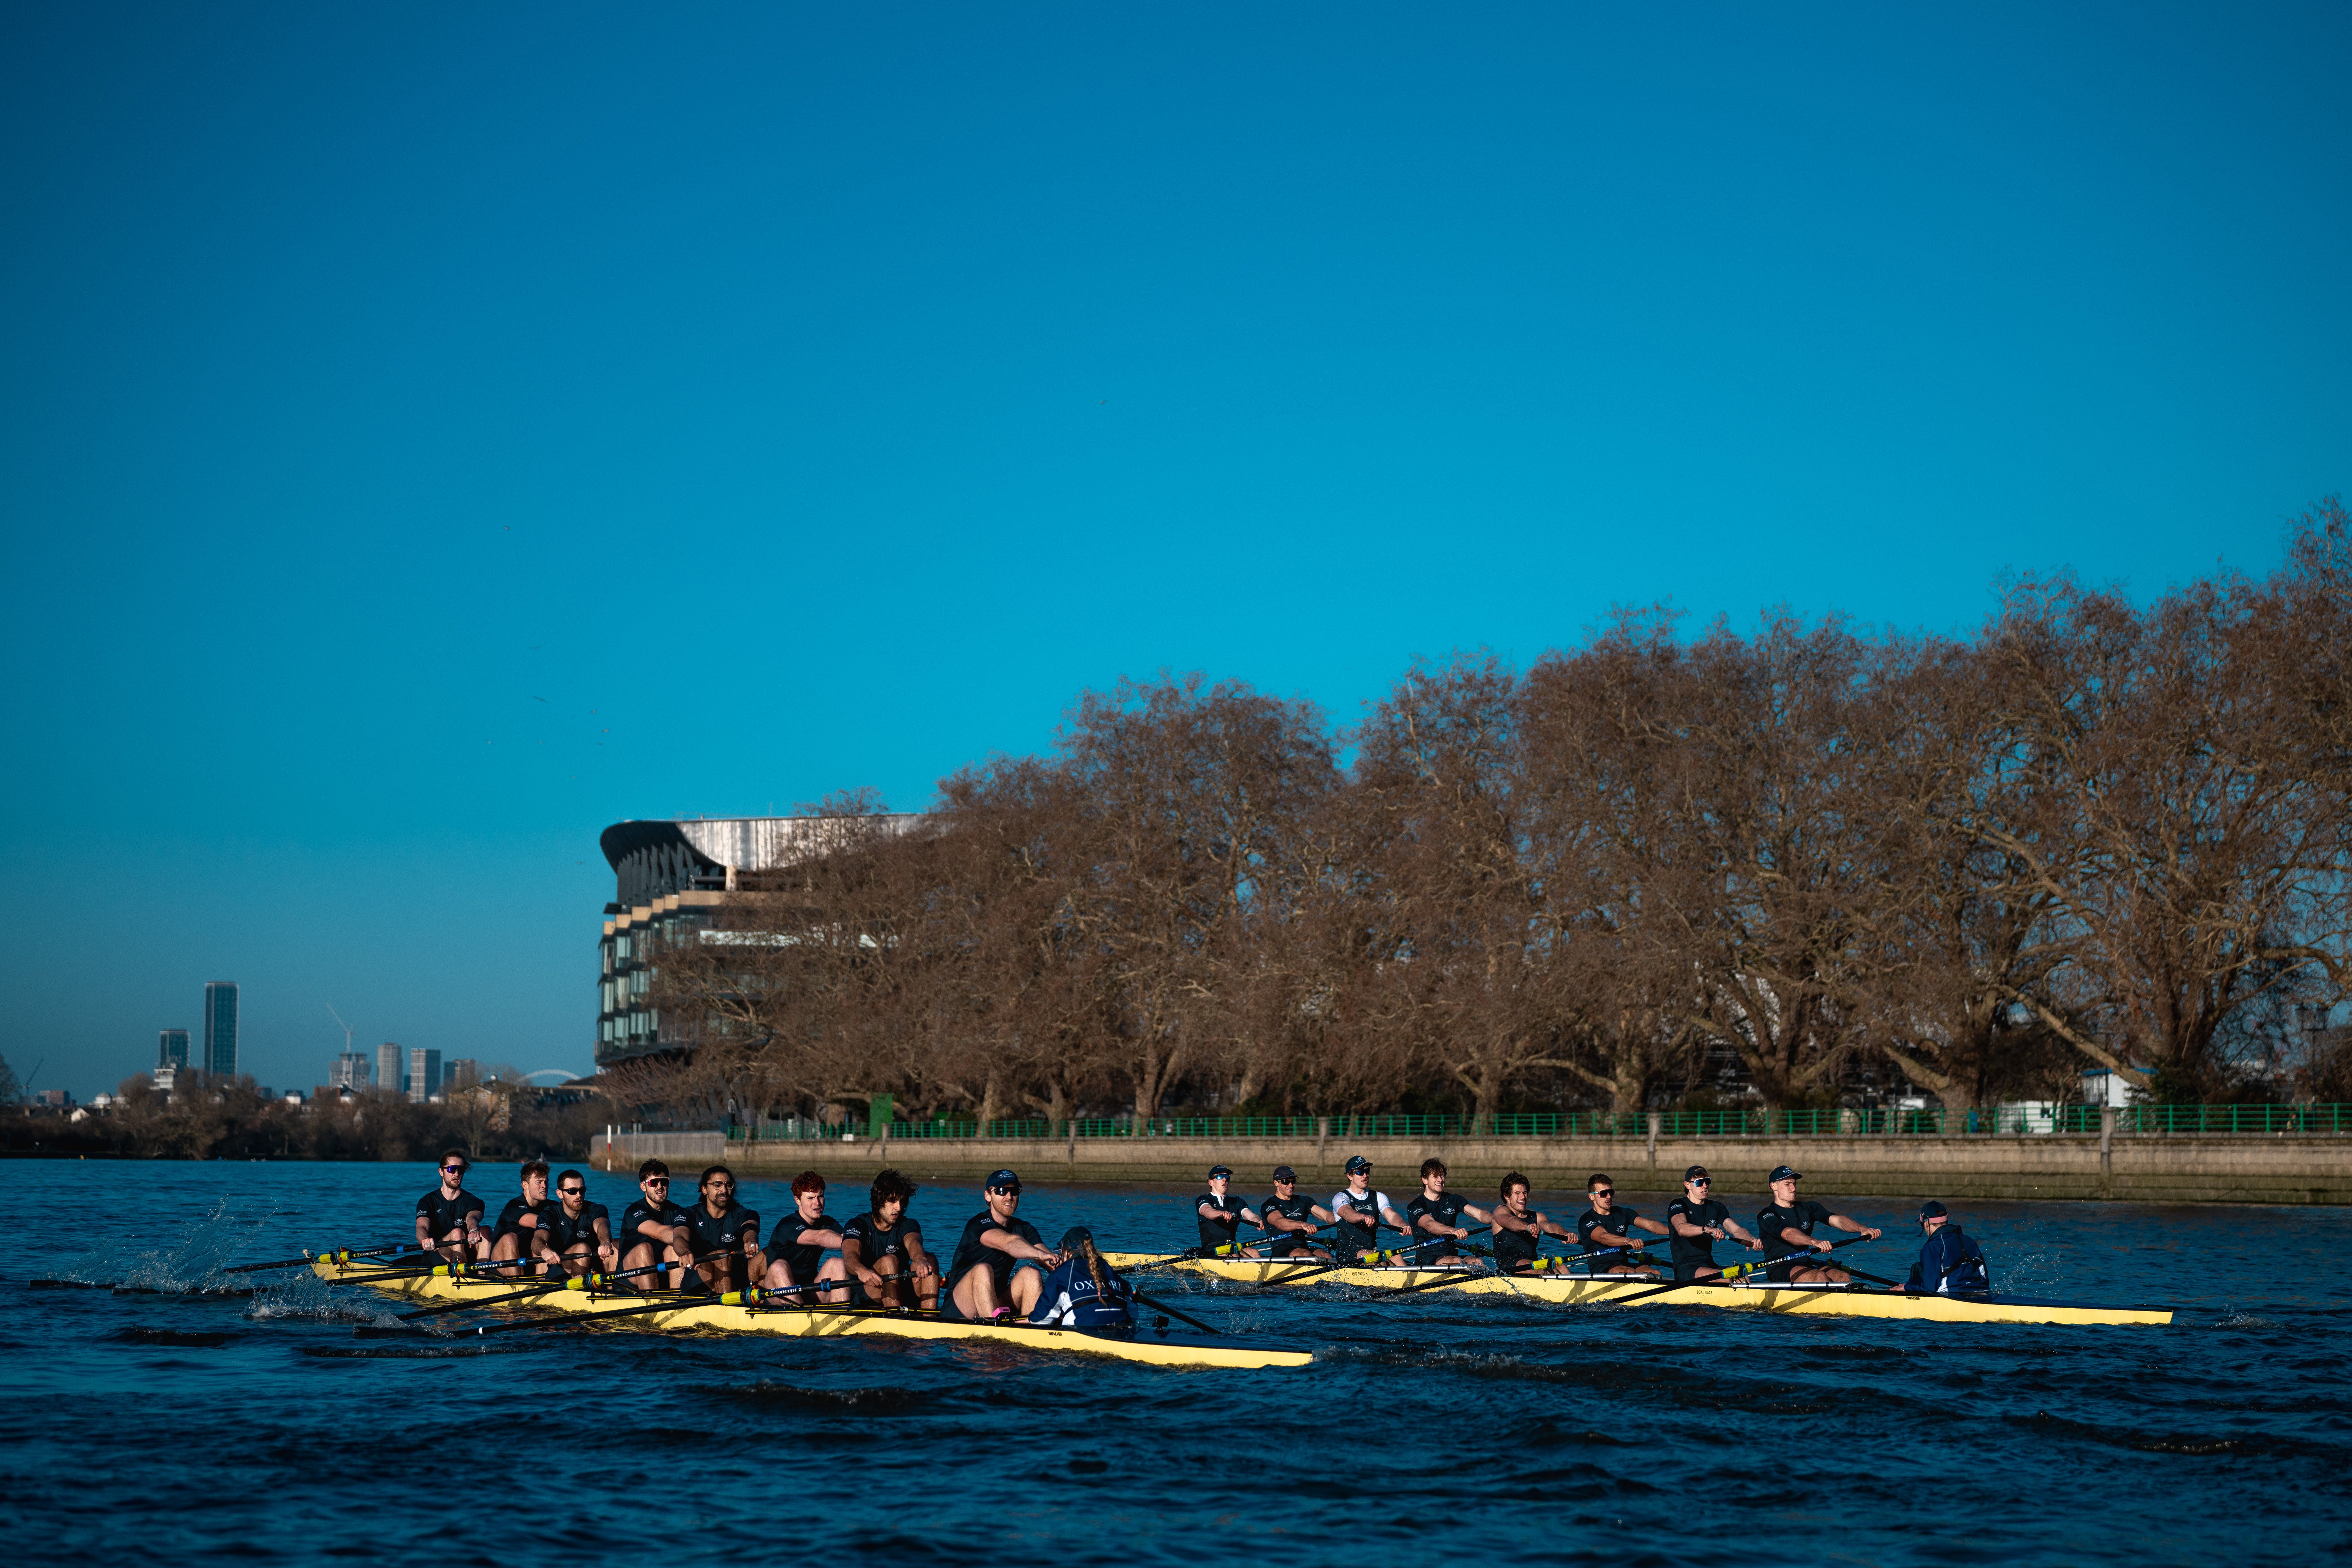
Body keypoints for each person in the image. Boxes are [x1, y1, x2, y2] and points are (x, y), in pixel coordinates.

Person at [945, 1169, 1064, 1321]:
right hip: (960, 1308)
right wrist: (1039, 1254)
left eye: (1014, 1191)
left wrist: (1082, 1270)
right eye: (1002, 1191)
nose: (1009, 1197)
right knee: (983, 1269)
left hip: (996, 1303)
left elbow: (1050, 1261)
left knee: (1031, 1273)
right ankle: (994, 1333)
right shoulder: (978, 1224)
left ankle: (1030, 1330)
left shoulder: (1025, 1229)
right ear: (988, 1196)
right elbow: (1008, 1243)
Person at [1754, 1165, 1882, 1284]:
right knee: (1820, 1278)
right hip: (1780, 1267)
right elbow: (1787, 1234)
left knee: (1844, 1278)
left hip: (1807, 1263)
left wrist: (1862, 1229)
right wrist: (1814, 1242)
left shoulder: (1809, 1208)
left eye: (1794, 1184)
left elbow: (1837, 1220)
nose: (1793, 1188)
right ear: (1774, 1186)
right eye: (1788, 1184)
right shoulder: (1767, 1215)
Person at [840, 1168, 938, 1309]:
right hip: (867, 1294)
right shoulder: (858, 1225)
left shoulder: (908, 1225)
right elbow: (850, 1256)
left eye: (901, 1201)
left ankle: (929, 1318)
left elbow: (913, 1244)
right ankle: (896, 1317)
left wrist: (921, 1260)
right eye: (892, 1201)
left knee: (929, 1259)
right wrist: (861, 1270)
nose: (898, 1207)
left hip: (900, 1291)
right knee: (889, 1261)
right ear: (879, 1200)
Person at [764, 1170, 851, 1304]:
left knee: (837, 1263)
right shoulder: (787, 1225)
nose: (818, 1203)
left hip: (809, 1290)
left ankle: (843, 1317)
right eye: (811, 1198)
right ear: (798, 1200)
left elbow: (851, 1241)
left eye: (821, 1197)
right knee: (779, 1267)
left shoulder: (828, 1223)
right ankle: (799, 1315)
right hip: (777, 1292)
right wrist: (849, 1242)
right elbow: (819, 1238)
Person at [1665, 1165, 1762, 1282]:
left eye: (1707, 1182)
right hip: (1686, 1268)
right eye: (1700, 1183)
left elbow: (1736, 1230)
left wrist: (1751, 1239)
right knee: (1725, 1279)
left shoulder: (1716, 1207)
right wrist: (1707, 1229)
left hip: (1709, 1264)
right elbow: (1681, 1229)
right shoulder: (1678, 1205)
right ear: (1688, 1185)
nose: (1705, 1186)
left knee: (1743, 1277)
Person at [1028, 1226, 1135, 1328]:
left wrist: (1031, 1320)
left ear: (1066, 1252)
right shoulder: (1107, 1268)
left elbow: (1042, 1319)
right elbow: (1132, 1306)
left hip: (1082, 1331)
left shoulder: (1061, 1274)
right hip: (1123, 1329)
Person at [616, 1159, 697, 1292]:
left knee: (675, 1248)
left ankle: (678, 1300)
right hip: (629, 1278)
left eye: (664, 1182)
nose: (660, 1186)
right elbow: (660, 1232)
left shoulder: (678, 1211)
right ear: (643, 1187)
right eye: (654, 1183)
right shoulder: (634, 1211)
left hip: (660, 1271)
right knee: (645, 1249)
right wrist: (686, 1240)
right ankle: (651, 1300)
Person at [680, 1164, 763, 1293]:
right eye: (718, 1185)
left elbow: (750, 1228)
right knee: (722, 1256)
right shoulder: (689, 1214)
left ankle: (769, 1306)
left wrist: (750, 1241)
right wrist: (685, 1252)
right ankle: (730, 1307)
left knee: (767, 1254)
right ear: (705, 1190)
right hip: (698, 1279)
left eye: (728, 1185)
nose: (724, 1190)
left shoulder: (743, 1214)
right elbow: (680, 1237)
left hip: (735, 1276)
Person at [1575, 1173, 1671, 1278]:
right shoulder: (1587, 1219)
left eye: (1611, 1192)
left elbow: (1650, 1225)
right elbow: (1604, 1238)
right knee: (1630, 1272)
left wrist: (1673, 1231)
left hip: (1624, 1264)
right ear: (1592, 1197)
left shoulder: (1623, 1213)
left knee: (1656, 1273)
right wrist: (1628, 1241)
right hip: (1602, 1267)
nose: (1609, 1197)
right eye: (1604, 1194)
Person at [1403, 1158, 1493, 1269]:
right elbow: (1429, 1225)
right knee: (1457, 1261)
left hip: (1452, 1253)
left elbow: (1479, 1214)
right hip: (1427, 1256)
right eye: (1436, 1177)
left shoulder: (1454, 1199)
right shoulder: (1416, 1206)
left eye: (1442, 1176)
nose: (1440, 1180)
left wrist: (1496, 1219)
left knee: (1478, 1261)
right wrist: (1453, 1231)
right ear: (1425, 1180)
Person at [1331, 1156, 1413, 1267]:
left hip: (1372, 1253)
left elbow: (1392, 1216)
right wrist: (1362, 1217)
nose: (1365, 1175)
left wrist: (1403, 1225)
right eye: (1360, 1172)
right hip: (1348, 1256)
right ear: (1350, 1176)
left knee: (1397, 1256)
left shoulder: (1378, 1197)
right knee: (1379, 1259)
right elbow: (1346, 1213)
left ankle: (1410, 1281)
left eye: (1367, 1171)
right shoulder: (1340, 1197)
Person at [1490, 1172, 1577, 1275]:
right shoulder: (1500, 1211)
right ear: (1507, 1196)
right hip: (1509, 1266)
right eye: (1518, 1194)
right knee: (1544, 1270)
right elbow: (1510, 1222)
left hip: (1532, 1264)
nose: (1523, 1197)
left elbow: (1550, 1227)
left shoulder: (1538, 1217)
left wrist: (1565, 1234)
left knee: (1561, 1266)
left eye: (1525, 1193)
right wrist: (1527, 1227)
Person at [414, 1149, 489, 1265]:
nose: (457, 1174)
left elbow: (473, 1218)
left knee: (486, 1231)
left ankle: (482, 1274)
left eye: (461, 1170)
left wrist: (474, 1230)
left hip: (465, 1251)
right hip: (437, 1253)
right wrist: (425, 1239)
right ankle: (460, 1274)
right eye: (452, 1169)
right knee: (457, 1233)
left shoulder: (474, 1201)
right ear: (441, 1172)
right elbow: (421, 1228)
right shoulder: (428, 1201)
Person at [1904, 1200, 1991, 1294]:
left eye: (1922, 1224)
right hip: (1982, 1292)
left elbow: (1929, 1288)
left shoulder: (1932, 1246)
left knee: (1917, 1268)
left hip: (1951, 1295)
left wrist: (1908, 1286)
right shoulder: (1970, 1241)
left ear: (1926, 1223)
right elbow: (1985, 1277)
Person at [489, 1160, 557, 1276]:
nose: (545, 1186)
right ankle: (516, 1283)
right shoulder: (514, 1206)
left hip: (527, 1259)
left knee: (541, 1244)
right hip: (501, 1262)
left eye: (546, 1181)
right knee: (510, 1238)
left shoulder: (551, 1206)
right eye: (539, 1182)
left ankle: (543, 1283)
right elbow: (536, 1222)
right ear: (525, 1185)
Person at [544, 1168, 616, 1276]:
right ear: (560, 1194)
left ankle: (612, 1290)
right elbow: (538, 1239)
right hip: (560, 1268)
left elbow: (602, 1225)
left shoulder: (596, 1209)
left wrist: (605, 1242)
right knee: (582, 1249)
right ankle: (580, 1291)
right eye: (572, 1191)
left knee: (616, 1245)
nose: (578, 1195)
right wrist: (544, 1250)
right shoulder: (550, 1214)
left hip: (592, 1264)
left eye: (582, 1190)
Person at [1258, 1166, 1333, 1260]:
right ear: (1276, 1183)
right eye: (1286, 1182)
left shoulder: (1305, 1201)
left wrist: (1341, 1218)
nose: (1291, 1185)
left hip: (1303, 1247)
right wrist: (1303, 1225)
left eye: (1293, 1181)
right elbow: (1280, 1223)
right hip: (1282, 1249)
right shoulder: (1269, 1205)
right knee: (1306, 1255)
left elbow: (1326, 1216)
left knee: (1326, 1256)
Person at [1195, 1165, 1262, 1256]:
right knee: (1234, 1255)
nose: (1225, 1180)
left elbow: (1251, 1216)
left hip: (1232, 1246)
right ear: (1211, 1182)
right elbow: (1207, 1211)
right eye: (1220, 1177)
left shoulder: (1237, 1202)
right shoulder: (1204, 1199)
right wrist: (1220, 1213)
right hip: (1211, 1249)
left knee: (1254, 1252)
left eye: (1227, 1177)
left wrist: (1259, 1221)